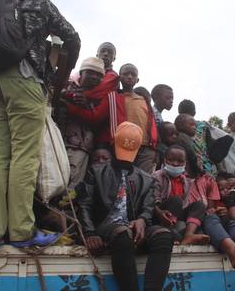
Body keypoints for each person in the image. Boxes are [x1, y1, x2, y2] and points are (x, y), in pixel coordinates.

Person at [0, 0, 80, 248]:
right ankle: (21, 230)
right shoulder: (40, 5)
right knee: (25, 155)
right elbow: (72, 38)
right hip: (24, 81)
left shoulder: (0, 11)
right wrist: (60, 79)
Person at [77, 122, 174, 291]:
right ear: (113, 144)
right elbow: (85, 203)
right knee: (123, 233)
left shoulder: (146, 178)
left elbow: (148, 206)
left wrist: (143, 220)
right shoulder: (96, 171)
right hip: (106, 226)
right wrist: (90, 232)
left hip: (134, 228)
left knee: (164, 235)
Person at [65, 63, 158, 173]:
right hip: (121, 146)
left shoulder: (144, 100)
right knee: (121, 178)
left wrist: (154, 147)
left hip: (145, 148)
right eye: (125, 74)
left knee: (144, 180)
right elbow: (95, 116)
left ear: (137, 80)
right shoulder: (112, 97)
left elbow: (152, 125)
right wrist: (70, 108)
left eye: (133, 74)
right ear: (119, 78)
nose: (129, 76)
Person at [60, 57, 104, 188]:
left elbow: (98, 121)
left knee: (72, 182)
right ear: (81, 72)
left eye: (98, 75)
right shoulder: (66, 85)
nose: (94, 77)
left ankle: (65, 207)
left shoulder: (100, 97)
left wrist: (87, 105)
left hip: (81, 147)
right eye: (90, 72)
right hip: (58, 139)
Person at [152, 145, 210, 245]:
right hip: (160, 213)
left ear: (185, 163)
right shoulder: (157, 176)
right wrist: (159, 211)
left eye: (180, 161)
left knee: (199, 205)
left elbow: (185, 203)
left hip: (178, 214)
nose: (175, 164)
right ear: (165, 160)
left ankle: (189, 235)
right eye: (171, 160)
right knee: (176, 200)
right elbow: (154, 198)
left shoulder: (186, 181)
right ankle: (168, 232)